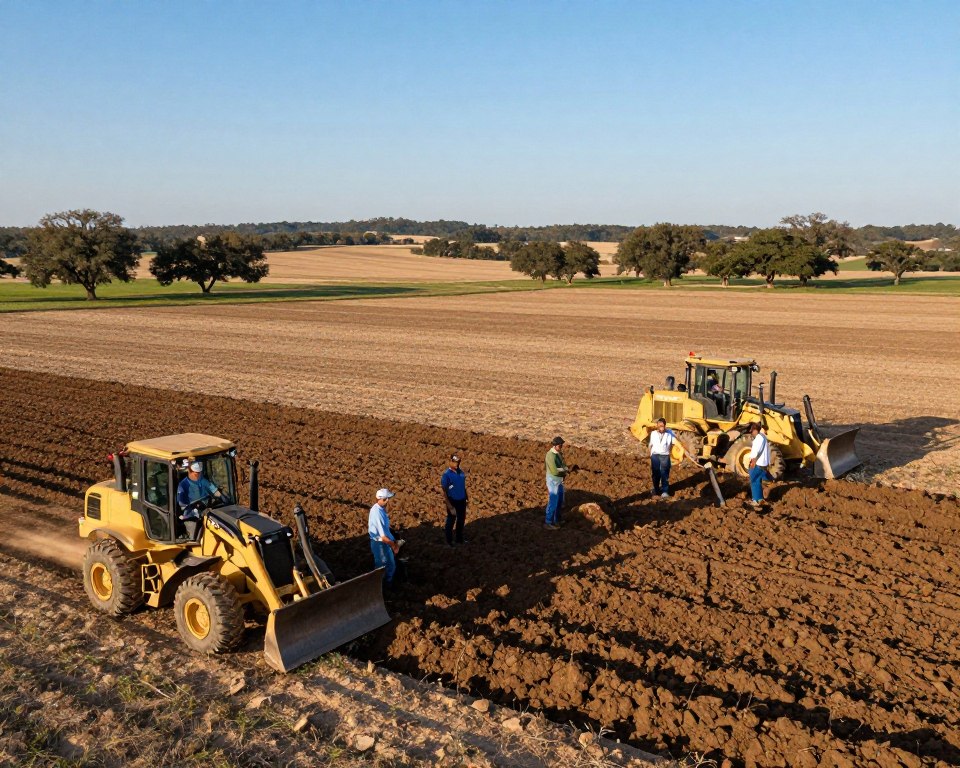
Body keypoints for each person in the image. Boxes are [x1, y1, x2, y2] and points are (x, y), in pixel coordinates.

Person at [648, 418, 693, 499]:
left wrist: (683, 452)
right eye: (659, 426)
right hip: (655, 456)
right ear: (657, 426)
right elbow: (650, 445)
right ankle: (656, 489)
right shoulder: (653, 434)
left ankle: (665, 492)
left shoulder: (669, 434)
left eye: (663, 426)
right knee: (656, 474)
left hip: (665, 456)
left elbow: (676, 443)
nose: (661, 427)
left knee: (664, 474)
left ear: (665, 426)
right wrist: (651, 455)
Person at [369, 488, 400, 586]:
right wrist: (394, 546)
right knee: (382, 566)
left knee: (390, 565)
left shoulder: (380, 509)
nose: (388, 501)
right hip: (380, 543)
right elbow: (382, 536)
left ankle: (387, 584)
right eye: (386, 499)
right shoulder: (377, 513)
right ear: (382, 499)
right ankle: (381, 586)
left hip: (385, 542)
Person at [440, 453, 468, 547]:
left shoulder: (461, 473)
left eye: (458, 462)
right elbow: (445, 491)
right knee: (451, 520)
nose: (457, 464)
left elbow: (463, 486)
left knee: (461, 520)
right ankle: (449, 541)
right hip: (453, 501)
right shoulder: (446, 475)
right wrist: (450, 506)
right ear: (450, 461)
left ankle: (459, 539)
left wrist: (466, 497)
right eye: (455, 462)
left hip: (462, 500)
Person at [544, 436, 571, 530]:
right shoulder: (550, 456)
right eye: (560, 445)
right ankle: (548, 522)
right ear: (555, 445)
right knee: (553, 502)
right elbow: (555, 471)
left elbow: (562, 464)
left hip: (559, 480)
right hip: (553, 481)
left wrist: (566, 469)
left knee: (559, 501)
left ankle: (557, 520)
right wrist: (564, 471)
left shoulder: (558, 453)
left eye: (562, 445)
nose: (561, 447)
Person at [747, 422, 771, 508]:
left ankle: (755, 500)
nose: (751, 432)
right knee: (759, 480)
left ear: (755, 430)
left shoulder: (758, 439)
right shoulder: (764, 437)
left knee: (754, 481)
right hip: (764, 464)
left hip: (758, 463)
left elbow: (755, 451)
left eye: (752, 430)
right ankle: (760, 499)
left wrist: (752, 462)